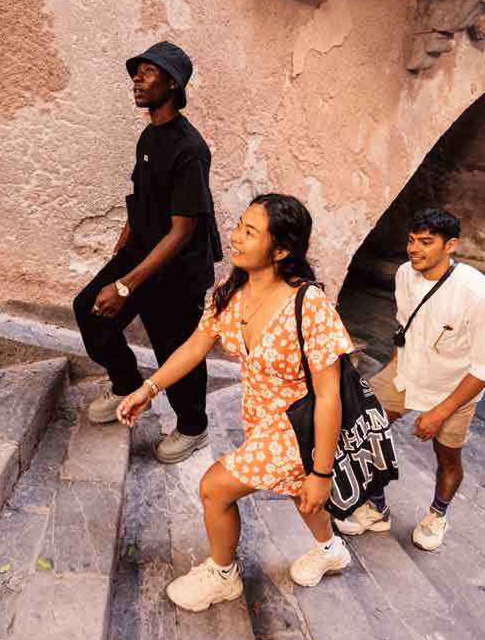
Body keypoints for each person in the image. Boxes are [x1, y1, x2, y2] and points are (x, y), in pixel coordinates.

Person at [117, 194, 354, 612]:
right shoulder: (230, 294)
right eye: (239, 226)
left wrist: (321, 470)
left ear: (281, 250)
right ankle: (330, 548)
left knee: (215, 488)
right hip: (260, 421)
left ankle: (223, 575)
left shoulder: (309, 305)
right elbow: (194, 347)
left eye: (250, 231)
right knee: (302, 495)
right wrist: (146, 389)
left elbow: (330, 394)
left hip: (298, 427)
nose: (236, 237)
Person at [73, 41, 223, 464]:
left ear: (172, 83)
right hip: (145, 251)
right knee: (88, 309)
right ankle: (124, 382)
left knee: (174, 349)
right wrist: (121, 251)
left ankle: (193, 428)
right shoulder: (149, 134)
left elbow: (182, 232)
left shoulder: (190, 149)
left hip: (177, 269)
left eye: (147, 72)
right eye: (135, 71)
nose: (137, 79)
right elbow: (142, 196)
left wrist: (124, 285)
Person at [335, 207, 485, 551]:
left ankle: (437, 514)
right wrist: (393, 367)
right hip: (405, 373)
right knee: (359, 428)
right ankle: (377, 507)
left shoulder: (480, 295)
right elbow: (404, 325)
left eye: (426, 242)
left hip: (454, 388)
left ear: (450, 245)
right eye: (412, 241)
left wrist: (439, 413)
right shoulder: (404, 274)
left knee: (447, 459)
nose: (415, 249)